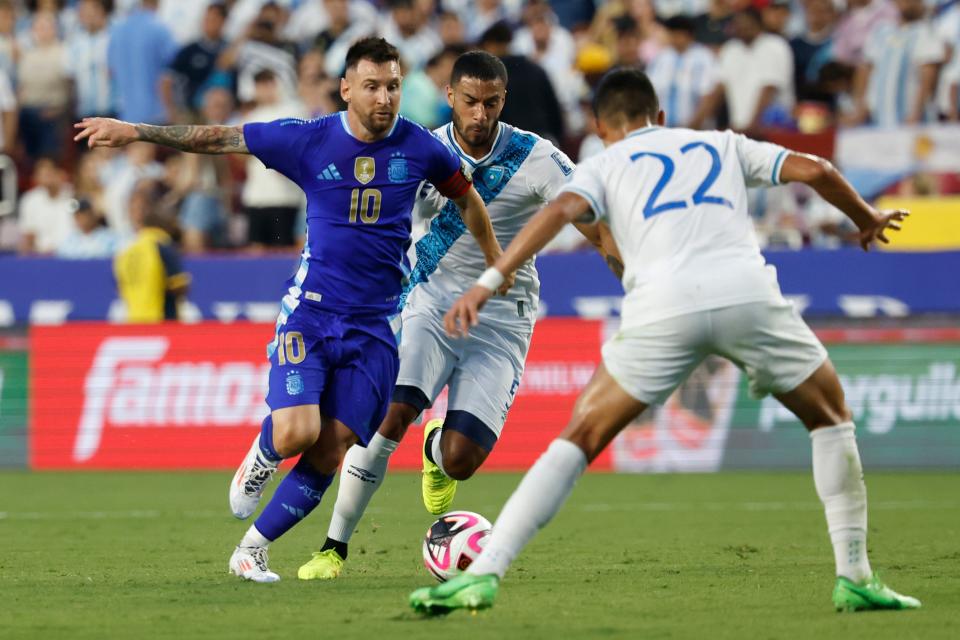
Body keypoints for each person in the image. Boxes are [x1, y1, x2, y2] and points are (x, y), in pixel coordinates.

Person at [409, 67, 920, 615]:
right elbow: (814, 169)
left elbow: (560, 213)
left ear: (601, 128)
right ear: (661, 117)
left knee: (580, 436)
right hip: (746, 296)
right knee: (831, 417)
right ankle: (855, 575)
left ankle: (484, 575)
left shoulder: (604, 162)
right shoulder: (719, 143)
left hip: (663, 304)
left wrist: (489, 280)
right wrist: (865, 218)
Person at [74, 36, 505, 583]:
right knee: (298, 432)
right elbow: (218, 137)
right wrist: (136, 130)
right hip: (313, 313)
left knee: (333, 447)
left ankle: (250, 550)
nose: (384, 97)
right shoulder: (309, 140)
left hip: (376, 327)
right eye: (372, 85)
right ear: (346, 88)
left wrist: (495, 266)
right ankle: (262, 454)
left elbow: (467, 198)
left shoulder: (422, 148)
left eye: (393, 86)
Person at [298, 50, 619, 581]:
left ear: (503, 102)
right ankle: (334, 548)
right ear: (450, 98)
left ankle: (436, 447)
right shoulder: (419, 149)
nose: (480, 115)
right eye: (470, 102)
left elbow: (592, 220)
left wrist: (627, 270)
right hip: (430, 303)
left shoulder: (537, 157)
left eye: (491, 103)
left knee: (461, 459)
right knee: (386, 420)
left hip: (503, 317)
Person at [113, 181, 190, 322]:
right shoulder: (161, 245)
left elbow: (119, 287)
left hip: (133, 321)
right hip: (160, 321)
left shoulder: (125, 251)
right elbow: (179, 285)